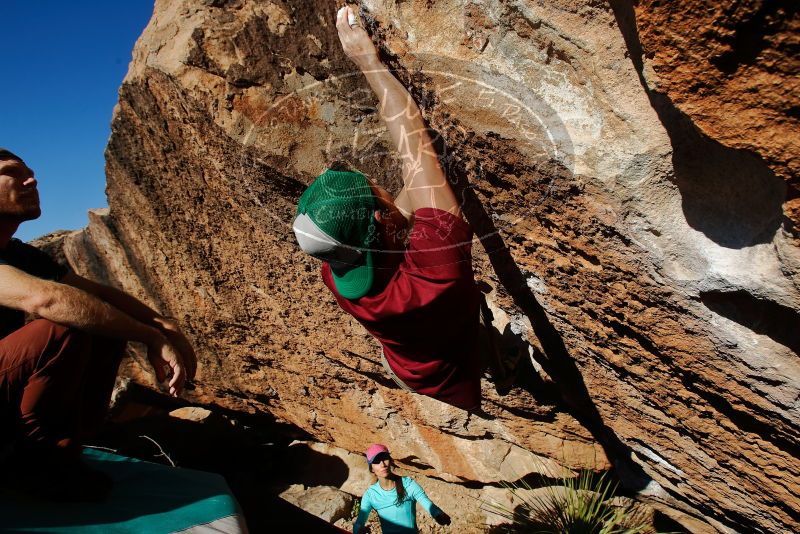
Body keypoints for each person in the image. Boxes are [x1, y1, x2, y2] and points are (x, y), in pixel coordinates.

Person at [292, 5, 483, 410]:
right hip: (449, 376)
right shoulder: (435, 276)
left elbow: (416, 185)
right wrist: (368, 62)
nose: (381, 184)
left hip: (405, 364)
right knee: (486, 362)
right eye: (374, 187)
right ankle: (506, 365)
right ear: (381, 217)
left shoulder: (338, 271)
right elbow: (416, 153)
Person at [0, 148, 197, 501]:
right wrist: (148, 336)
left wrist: (163, 325)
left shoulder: (17, 253)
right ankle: (33, 463)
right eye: (13, 172)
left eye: (30, 172)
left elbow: (99, 294)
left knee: (101, 322)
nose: (32, 180)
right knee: (60, 328)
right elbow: (44, 299)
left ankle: (66, 449)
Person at [352, 444, 450, 534]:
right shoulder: (371, 495)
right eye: (377, 461)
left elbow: (428, 504)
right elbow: (359, 522)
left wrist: (438, 514)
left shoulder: (408, 484)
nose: (382, 464)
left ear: (390, 461)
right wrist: (358, 530)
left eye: (385, 458)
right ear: (372, 468)